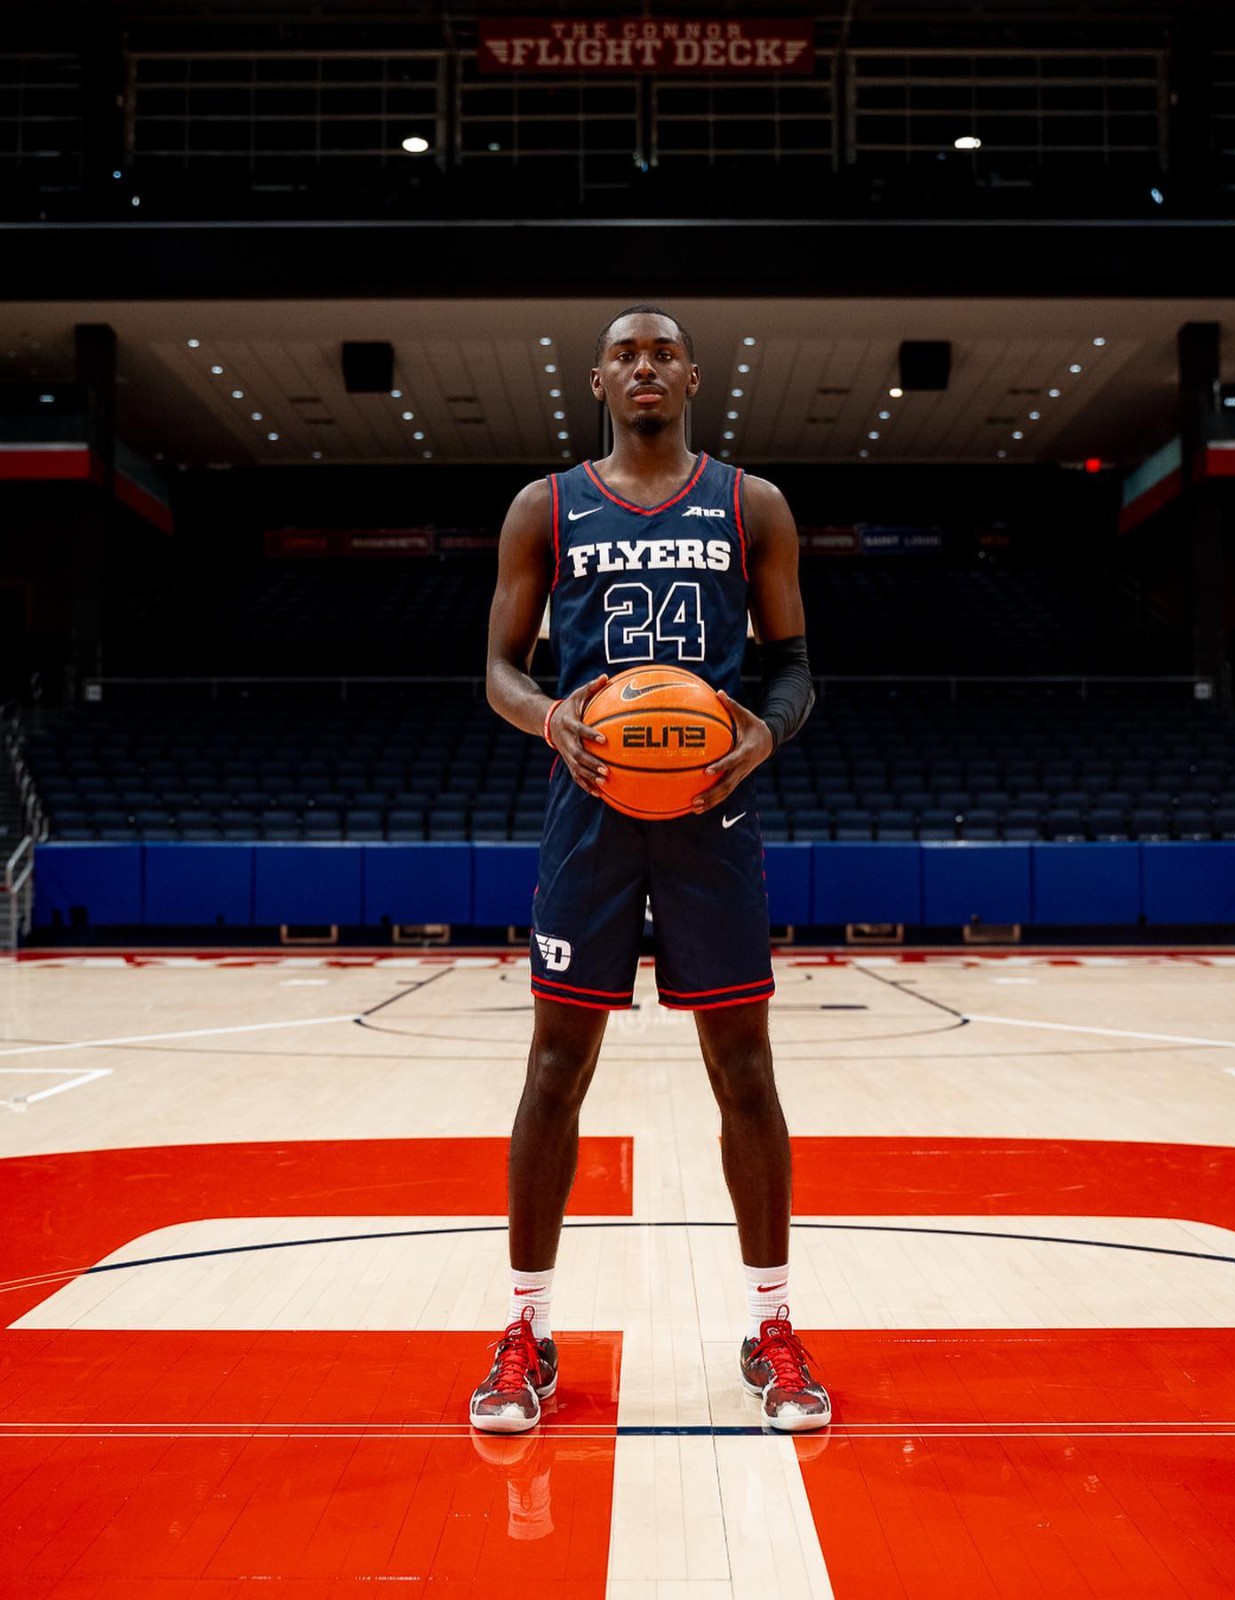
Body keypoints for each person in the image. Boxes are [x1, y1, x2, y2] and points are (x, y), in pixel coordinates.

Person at [473, 304, 828, 1434]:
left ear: (690, 376)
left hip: (711, 814)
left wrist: (762, 735)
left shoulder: (750, 505)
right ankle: (524, 1332)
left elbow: (794, 668)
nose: (643, 366)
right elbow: (498, 670)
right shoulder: (544, 507)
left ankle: (773, 1327)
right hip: (587, 813)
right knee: (553, 1069)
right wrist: (550, 718)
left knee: (744, 1072)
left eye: (662, 352)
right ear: (597, 380)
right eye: (624, 354)